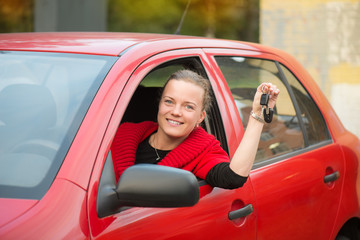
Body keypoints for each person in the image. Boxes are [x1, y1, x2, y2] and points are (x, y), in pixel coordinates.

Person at [111, 69, 280, 189]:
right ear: (159, 104)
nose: (176, 112)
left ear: (201, 117)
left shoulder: (203, 151)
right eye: (169, 101)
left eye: (189, 107)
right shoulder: (121, 134)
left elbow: (233, 177)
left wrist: (256, 116)